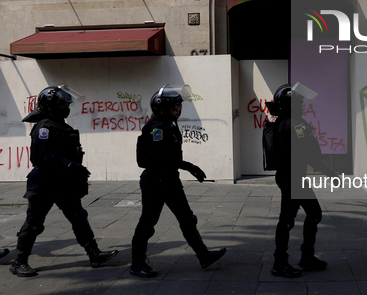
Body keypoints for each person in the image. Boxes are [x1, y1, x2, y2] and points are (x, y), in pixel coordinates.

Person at [11, 85, 118, 277]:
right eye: (63, 104)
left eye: (68, 103)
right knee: (34, 223)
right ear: (50, 106)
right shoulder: (44, 127)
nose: (67, 106)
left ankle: (94, 254)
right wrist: (71, 165)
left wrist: (75, 169)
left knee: (78, 216)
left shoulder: (60, 125)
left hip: (63, 183)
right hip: (44, 182)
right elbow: (46, 155)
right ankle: (19, 261)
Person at [130, 84, 226, 278]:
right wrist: (190, 167)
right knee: (148, 223)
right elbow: (163, 156)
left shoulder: (168, 124)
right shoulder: (156, 127)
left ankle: (203, 255)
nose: (178, 110)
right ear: (161, 107)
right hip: (155, 181)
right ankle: (137, 264)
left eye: (179, 106)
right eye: (174, 106)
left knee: (187, 219)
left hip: (169, 179)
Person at [266, 83, 338, 278]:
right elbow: (310, 153)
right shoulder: (294, 124)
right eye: (300, 101)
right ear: (291, 103)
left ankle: (306, 257)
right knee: (288, 221)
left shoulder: (283, 121)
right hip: (293, 178)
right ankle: (280, 263)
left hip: (291, 176)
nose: (303, 105)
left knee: (313, 213)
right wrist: (329, 172)